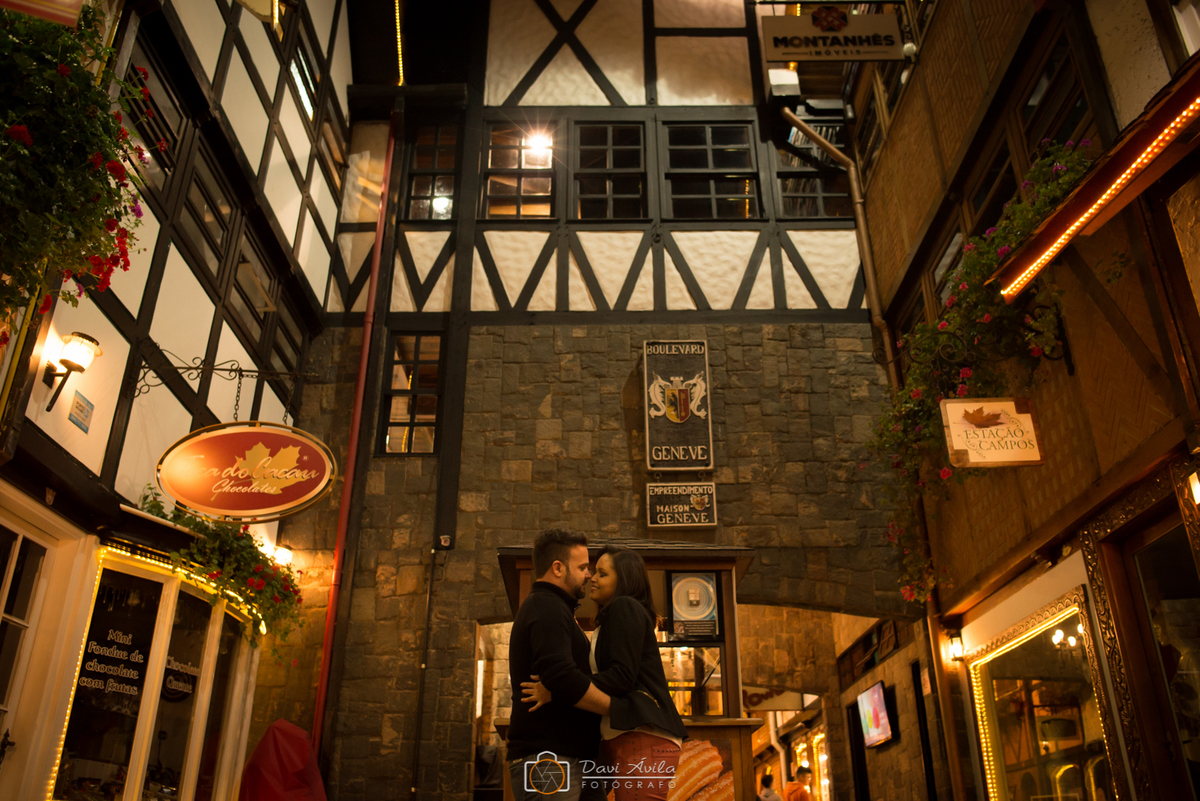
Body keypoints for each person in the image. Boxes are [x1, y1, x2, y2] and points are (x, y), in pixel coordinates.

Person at [524, 544, 688, 801]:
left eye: (602, 573)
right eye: (593, 571)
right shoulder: (610, 618)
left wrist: (560, 690)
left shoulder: (625, 606)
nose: (592, 577)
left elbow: (621, 676)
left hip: (643, 734)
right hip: (628, 736)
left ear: (624, 580)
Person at [507, 529, 611, 801]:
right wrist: (617, 708)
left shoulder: (557, 608)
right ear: (557, 568)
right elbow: (562, 676)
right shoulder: (546, 607)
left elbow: (564, 678)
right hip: (549, 760)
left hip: (571, 758)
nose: (588, 575)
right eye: (582, 567)